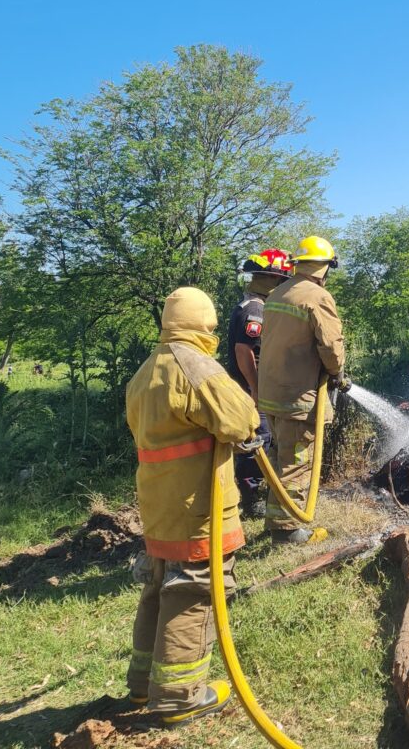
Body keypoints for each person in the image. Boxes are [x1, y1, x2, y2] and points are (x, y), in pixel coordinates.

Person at [124, 287, 260, 725]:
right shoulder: (194, 365)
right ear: (203, 323)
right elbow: (241, 419)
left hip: (159, 503)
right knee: (193, 589)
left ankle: (144, 685)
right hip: (196, 505)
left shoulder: (146, 372)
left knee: (158, 586)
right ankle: (180, 697)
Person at [257, 235, 348, 544]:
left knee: (279, 459)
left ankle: (273, 520)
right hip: (299, 396)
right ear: (325, 267)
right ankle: (287, 532)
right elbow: (332, 348)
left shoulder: (276, 293)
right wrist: (336, 373)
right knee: (297, 463)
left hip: (271, 395)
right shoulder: (318, 297)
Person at [226, 249, 294, 518]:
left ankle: (257, 495)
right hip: (251, 390)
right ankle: (251, 500)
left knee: (261, 441)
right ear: (272, 279)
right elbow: (245, 352)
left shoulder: (254, 305)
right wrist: (255, 388)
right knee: (258, 441)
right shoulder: (255, 309)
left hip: (256, 388)